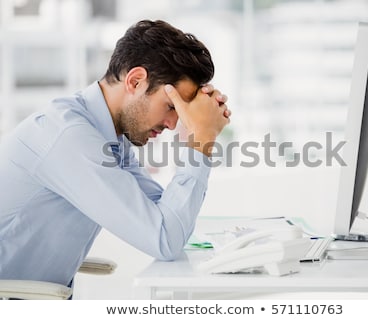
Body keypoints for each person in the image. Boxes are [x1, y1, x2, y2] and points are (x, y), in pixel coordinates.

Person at [0, 20, 230, 287]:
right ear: (135, 81)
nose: (172, 124)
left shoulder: (109, 137)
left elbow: (164, 215)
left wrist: (196, 134)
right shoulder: (71, 137)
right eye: (170, 107)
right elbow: (165, 238)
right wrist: (201, 139)